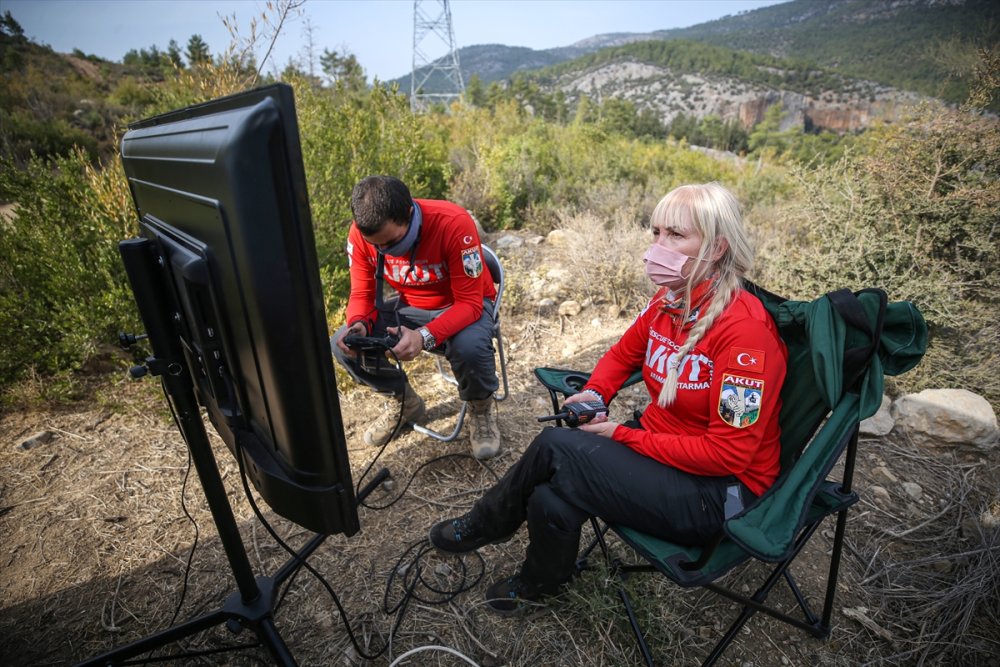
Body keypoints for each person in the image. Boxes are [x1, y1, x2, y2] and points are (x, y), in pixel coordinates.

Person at [428, 182, 788, 613]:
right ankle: (541, 583)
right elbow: (622, 354)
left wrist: (621, 435)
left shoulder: (746, 337)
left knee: (555, 446)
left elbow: (728, 455)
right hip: (665, 458)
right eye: (656, 233)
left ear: (715, 248)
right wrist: (594, 393)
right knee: (550, 494)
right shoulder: (669, 301)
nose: (658, 246)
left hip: (719, 494)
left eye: (676, 235)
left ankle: (487, 522)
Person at [331, 175, 502, 459]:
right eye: (378, 246)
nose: (385, 250)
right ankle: (402, 400)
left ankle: (481, 408)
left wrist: (424, 336)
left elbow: (471, 303)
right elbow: (361, 294)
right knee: (342, 343)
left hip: (461, 304)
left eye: (393, 242)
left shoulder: (452, 223)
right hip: (410, 307)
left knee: (469, 348)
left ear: (409, 214)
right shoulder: (360, 235)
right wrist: (359, 323)